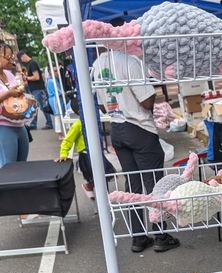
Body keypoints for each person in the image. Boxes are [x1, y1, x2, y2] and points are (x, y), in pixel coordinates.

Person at [93, 49, 179, 253]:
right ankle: (160, 235)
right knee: (154, 185)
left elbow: (103, 106)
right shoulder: (130, 61)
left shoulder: (98, 64)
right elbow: (147, 101)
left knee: (131, 185)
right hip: (139, 128)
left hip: (117, 128)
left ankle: (138, 237)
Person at [56, 98, 96, 198]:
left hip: (96, 153)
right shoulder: (78, 124)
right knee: (93, 177)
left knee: (106, 174)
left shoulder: (95, 120)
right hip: (85, 154)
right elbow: (68, 140)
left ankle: (99, 193)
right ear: (79, 111)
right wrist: (64, 154)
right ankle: (90, 187)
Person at [0, 42, 30, 168]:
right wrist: (9, 93)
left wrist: (22, 85)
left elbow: (17, 90)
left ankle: (20, 187)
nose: (10, 60)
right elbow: (10, 93)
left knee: (22, 164)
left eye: (11, 57)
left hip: (18, 123)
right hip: (3, 126)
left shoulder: (8, 74)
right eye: (7, 57)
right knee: (8, 166)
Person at [17, 50, 53, 130]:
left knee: (40, 107)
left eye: (21, 60)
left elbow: (36, 77)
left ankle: (48, 123)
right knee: (36, 106)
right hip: (36, 89)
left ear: (22, 57)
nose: (22, 61)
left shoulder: (32, 64)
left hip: (38, 89)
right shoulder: (30, 64)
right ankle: (35, 124)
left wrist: (27, 78)